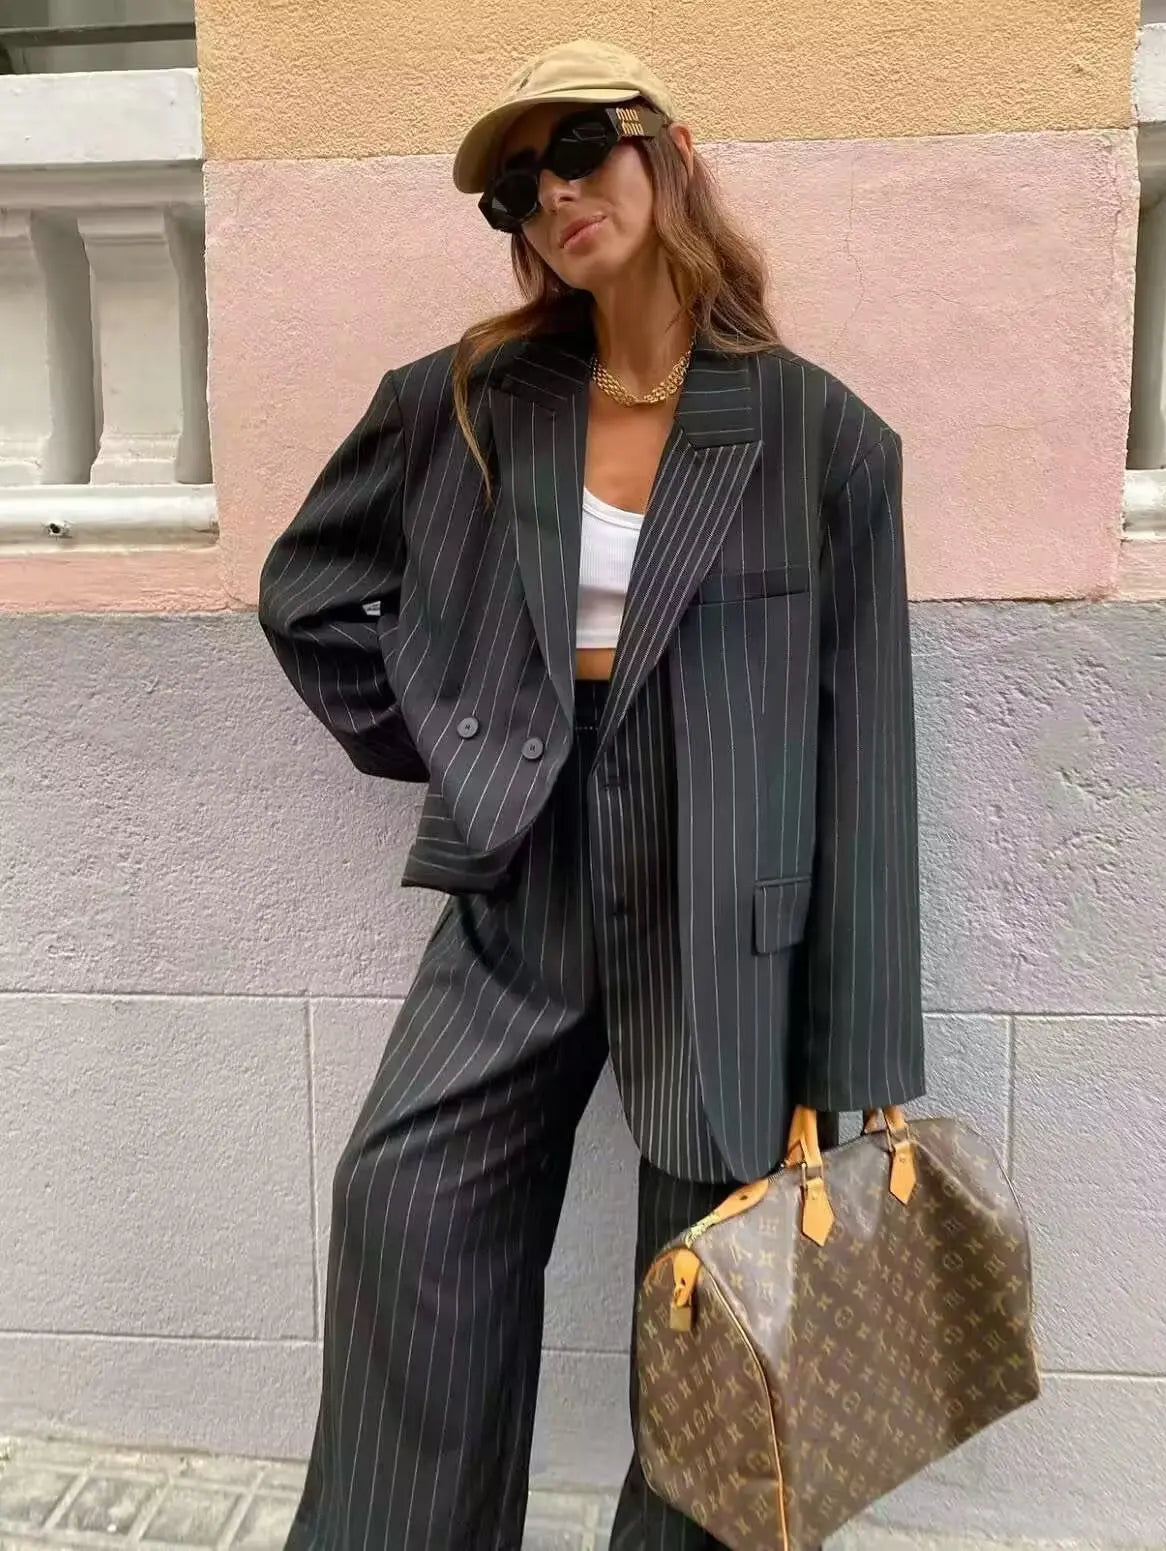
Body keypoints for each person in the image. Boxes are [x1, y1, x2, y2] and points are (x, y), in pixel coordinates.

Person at [257, 37, 924, 1551]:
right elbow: (311, 596)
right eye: (517, 186)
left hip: (725, 906)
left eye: (578, 147)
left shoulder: (820, 436)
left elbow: (864, 759)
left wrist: (853, 1052)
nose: (553, 194)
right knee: (402, 1205)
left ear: (668, 150)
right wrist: (473, 737)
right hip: (523, 874)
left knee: (717, 1303)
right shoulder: (468, 401)